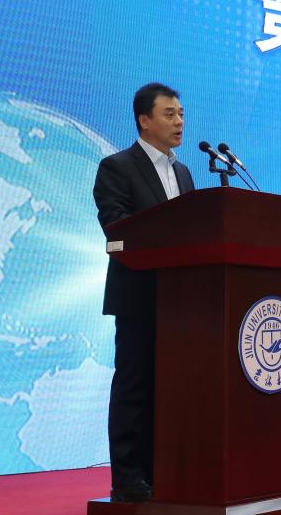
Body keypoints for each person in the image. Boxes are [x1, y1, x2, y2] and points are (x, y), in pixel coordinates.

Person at [93, 83, 195, 503]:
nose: (179, 121)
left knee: (173, 388)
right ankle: (128, 478)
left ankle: (164, 470)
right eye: (169, 114)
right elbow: (117, 227)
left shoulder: (183, 173)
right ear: (144, 120)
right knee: (134, 386)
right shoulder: (117, 167)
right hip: (138, 296)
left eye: (181, 113)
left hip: (181, 302)